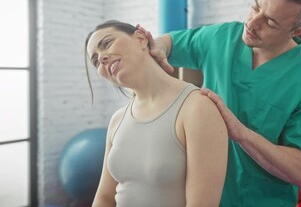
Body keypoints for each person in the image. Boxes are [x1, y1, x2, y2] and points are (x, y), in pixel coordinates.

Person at [138, 0, 301, 206]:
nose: (252, 22)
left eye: (270, 22)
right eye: (255, 6)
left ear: (296, 32)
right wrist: (157, 45)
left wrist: (242, 134)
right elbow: (169, 43)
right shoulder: (222, 37)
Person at [84, 20, 228, 207]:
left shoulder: (197, 108)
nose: (101, 58)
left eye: (106, 44)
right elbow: (104, 197)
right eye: (95, 61)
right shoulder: (117, 120)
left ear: (141, 38)